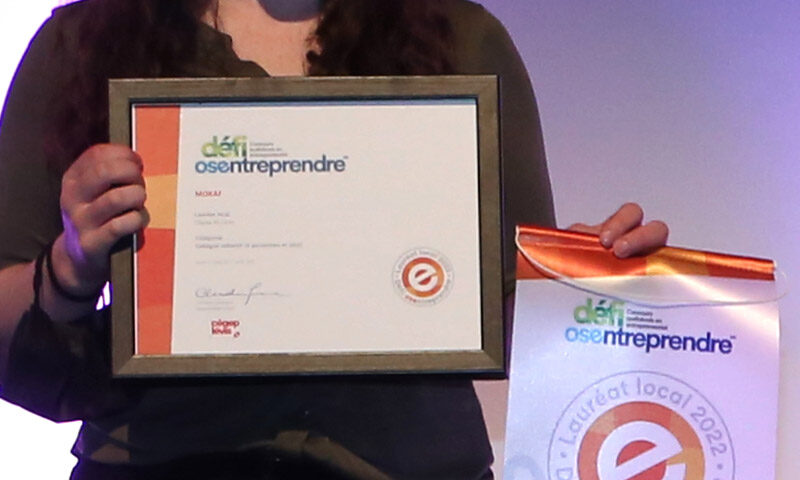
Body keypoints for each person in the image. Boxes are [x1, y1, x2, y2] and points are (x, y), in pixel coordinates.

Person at [0, 0, 668, 478]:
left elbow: (517, 312)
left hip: (407, 466)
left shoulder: (460, 36)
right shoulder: (84, 40)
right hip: (162, 461)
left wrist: (589, 284)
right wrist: (70, 267)